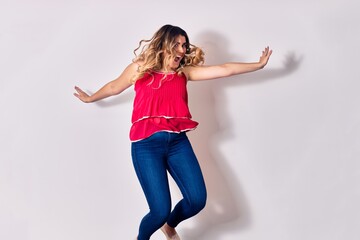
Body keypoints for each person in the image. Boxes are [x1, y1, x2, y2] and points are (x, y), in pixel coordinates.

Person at [74, 24, 272, 240]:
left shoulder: (183, 73)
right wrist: (90, 98)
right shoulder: (140, 69)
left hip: (178, 144)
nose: (181, 50)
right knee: (158, 211)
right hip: (146, 146)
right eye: (176, 44)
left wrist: (258, 65)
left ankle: (170, 225)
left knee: (197, 200)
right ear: (163, 44)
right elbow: (114, 87)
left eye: (184, 46)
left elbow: (225, 68)